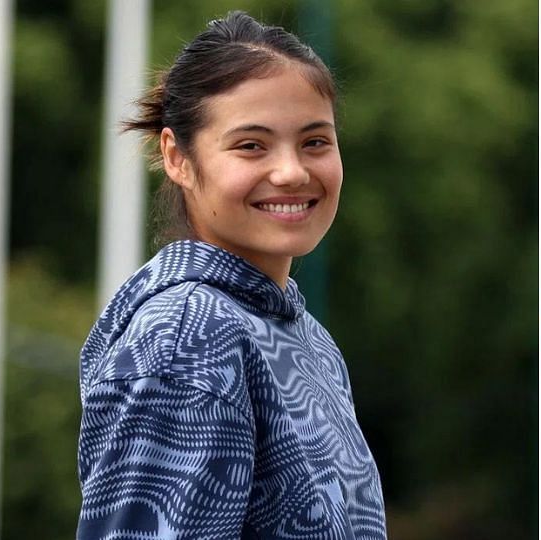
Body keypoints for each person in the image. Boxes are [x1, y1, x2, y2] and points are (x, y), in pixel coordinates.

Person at [77, 12, 387, 539]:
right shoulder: (186, 332)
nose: (291, 171)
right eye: (251, 145)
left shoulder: (306, 337)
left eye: (315, 142)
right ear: (178, 157)